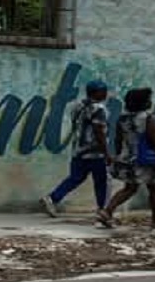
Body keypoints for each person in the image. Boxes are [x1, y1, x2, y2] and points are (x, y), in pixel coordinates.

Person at [97, 87, 155, 230]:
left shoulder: (122, 118)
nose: (150, 102)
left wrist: (118, 156)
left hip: (127, 159)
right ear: (143, 102)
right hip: (146, 161)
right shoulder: (149, 118)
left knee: (129, 188)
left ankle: (107, 211)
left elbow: (117, 139)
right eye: (148, 99)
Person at [40, 80, 112, 219]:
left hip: (78, 149)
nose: (105, 93)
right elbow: (99, 132)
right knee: (101, 180)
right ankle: (102, 209)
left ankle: (53, 198)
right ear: (96, 92)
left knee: (75, 177)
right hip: (94, 151)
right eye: (103, 91)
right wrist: (106, 152)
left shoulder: (77, 105)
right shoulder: (99, 109)